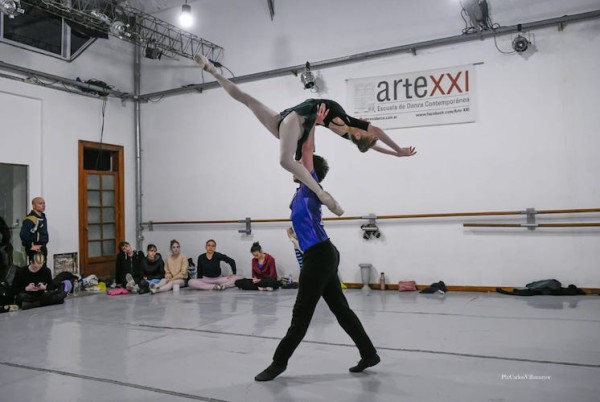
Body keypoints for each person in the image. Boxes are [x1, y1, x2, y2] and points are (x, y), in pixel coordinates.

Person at [194, 55, 416, 217]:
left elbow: (371, 143)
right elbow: (376, 133)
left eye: (358, 136)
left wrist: (395, 154)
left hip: (287, 125)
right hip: (297, 119)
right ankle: (324, 195)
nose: (361, 132)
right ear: (361, 131)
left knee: (249, 102)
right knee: (283, 159)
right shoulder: (347, 122)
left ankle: (211, 70)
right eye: (362, 132)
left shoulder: (348, 133)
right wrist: (398, 150)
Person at [254, 124, 380, 382]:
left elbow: (308, 149)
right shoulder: (301, 192)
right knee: (341, 309)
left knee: (301, 314)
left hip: (320, 257)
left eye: (300, 161)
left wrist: (312, 123)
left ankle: (278, 363)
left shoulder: (311, 187)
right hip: (323, 254)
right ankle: (369, 354)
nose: (296, 162)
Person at [19, 197, 49, 264]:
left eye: (44, 203)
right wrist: (30, 246)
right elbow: (23, 234)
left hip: (42, 247)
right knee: (37, 270)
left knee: (43, 270)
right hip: (36, 249)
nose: (43, 205)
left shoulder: (42, 217)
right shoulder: (30, 219)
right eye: (40, 203)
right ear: (33, 206)